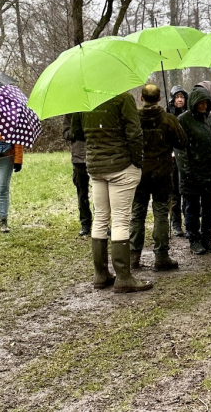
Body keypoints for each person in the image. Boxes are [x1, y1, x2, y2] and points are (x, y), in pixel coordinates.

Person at [72, 91, 150, 293]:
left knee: (100, 218)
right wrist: (137, 162)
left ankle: (100, 274)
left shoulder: (84, 98)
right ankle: (123, 276)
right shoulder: (122, 99)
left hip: (96, 166)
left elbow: (76, 133)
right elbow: (134, 132)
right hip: (121, 165)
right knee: (121, 219)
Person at [130, 84, 187, 271]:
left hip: (139, 173)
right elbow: (182, 142)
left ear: (141, 98)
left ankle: (133, 257)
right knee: (161, 214)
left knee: (137, 214)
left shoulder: (134, 119)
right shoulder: (168, 119)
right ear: (160, 97)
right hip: (162, 173)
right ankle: (161, 257)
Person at [177, 86, 211, 255]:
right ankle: (194, 239)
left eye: (206, 102)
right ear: (194, 103)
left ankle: (206, 238)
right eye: (200, 103)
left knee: (209, 207)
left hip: (210, 170)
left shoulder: (210, 119)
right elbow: (180, 149)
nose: (203, 105)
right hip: (192, 172)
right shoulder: (183, 120)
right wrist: (186, 171)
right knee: (192, 208)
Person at [63, 113, 92, 237]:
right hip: (79, 158)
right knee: (82, 191)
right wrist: (77, 132)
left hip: (96, 154)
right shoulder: (71, 112)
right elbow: (65, 133)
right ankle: (85, 223)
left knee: (100, 193)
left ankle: (102, 224)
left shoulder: (96, 109)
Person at [167, 86, 190, 238]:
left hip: (186, 158)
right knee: (174, 193)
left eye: (182, 97)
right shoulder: (167, 116)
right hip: (172, 159)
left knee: (187, 192)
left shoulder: (189, 115)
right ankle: (176, 224)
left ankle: (189, 223)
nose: (180, 99)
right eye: (177, 97)